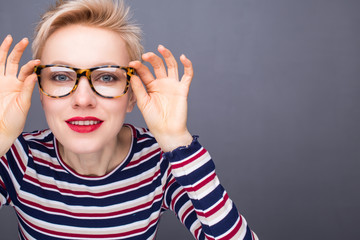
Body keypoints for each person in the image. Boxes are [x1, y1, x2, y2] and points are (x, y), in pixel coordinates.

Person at [0, 0, 258, 239]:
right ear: (39, 92)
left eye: (106, 77)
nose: (83, 99)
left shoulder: (159, 162)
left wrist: (176, 140)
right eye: (61, 76)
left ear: (132, 95)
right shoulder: (20, 159)